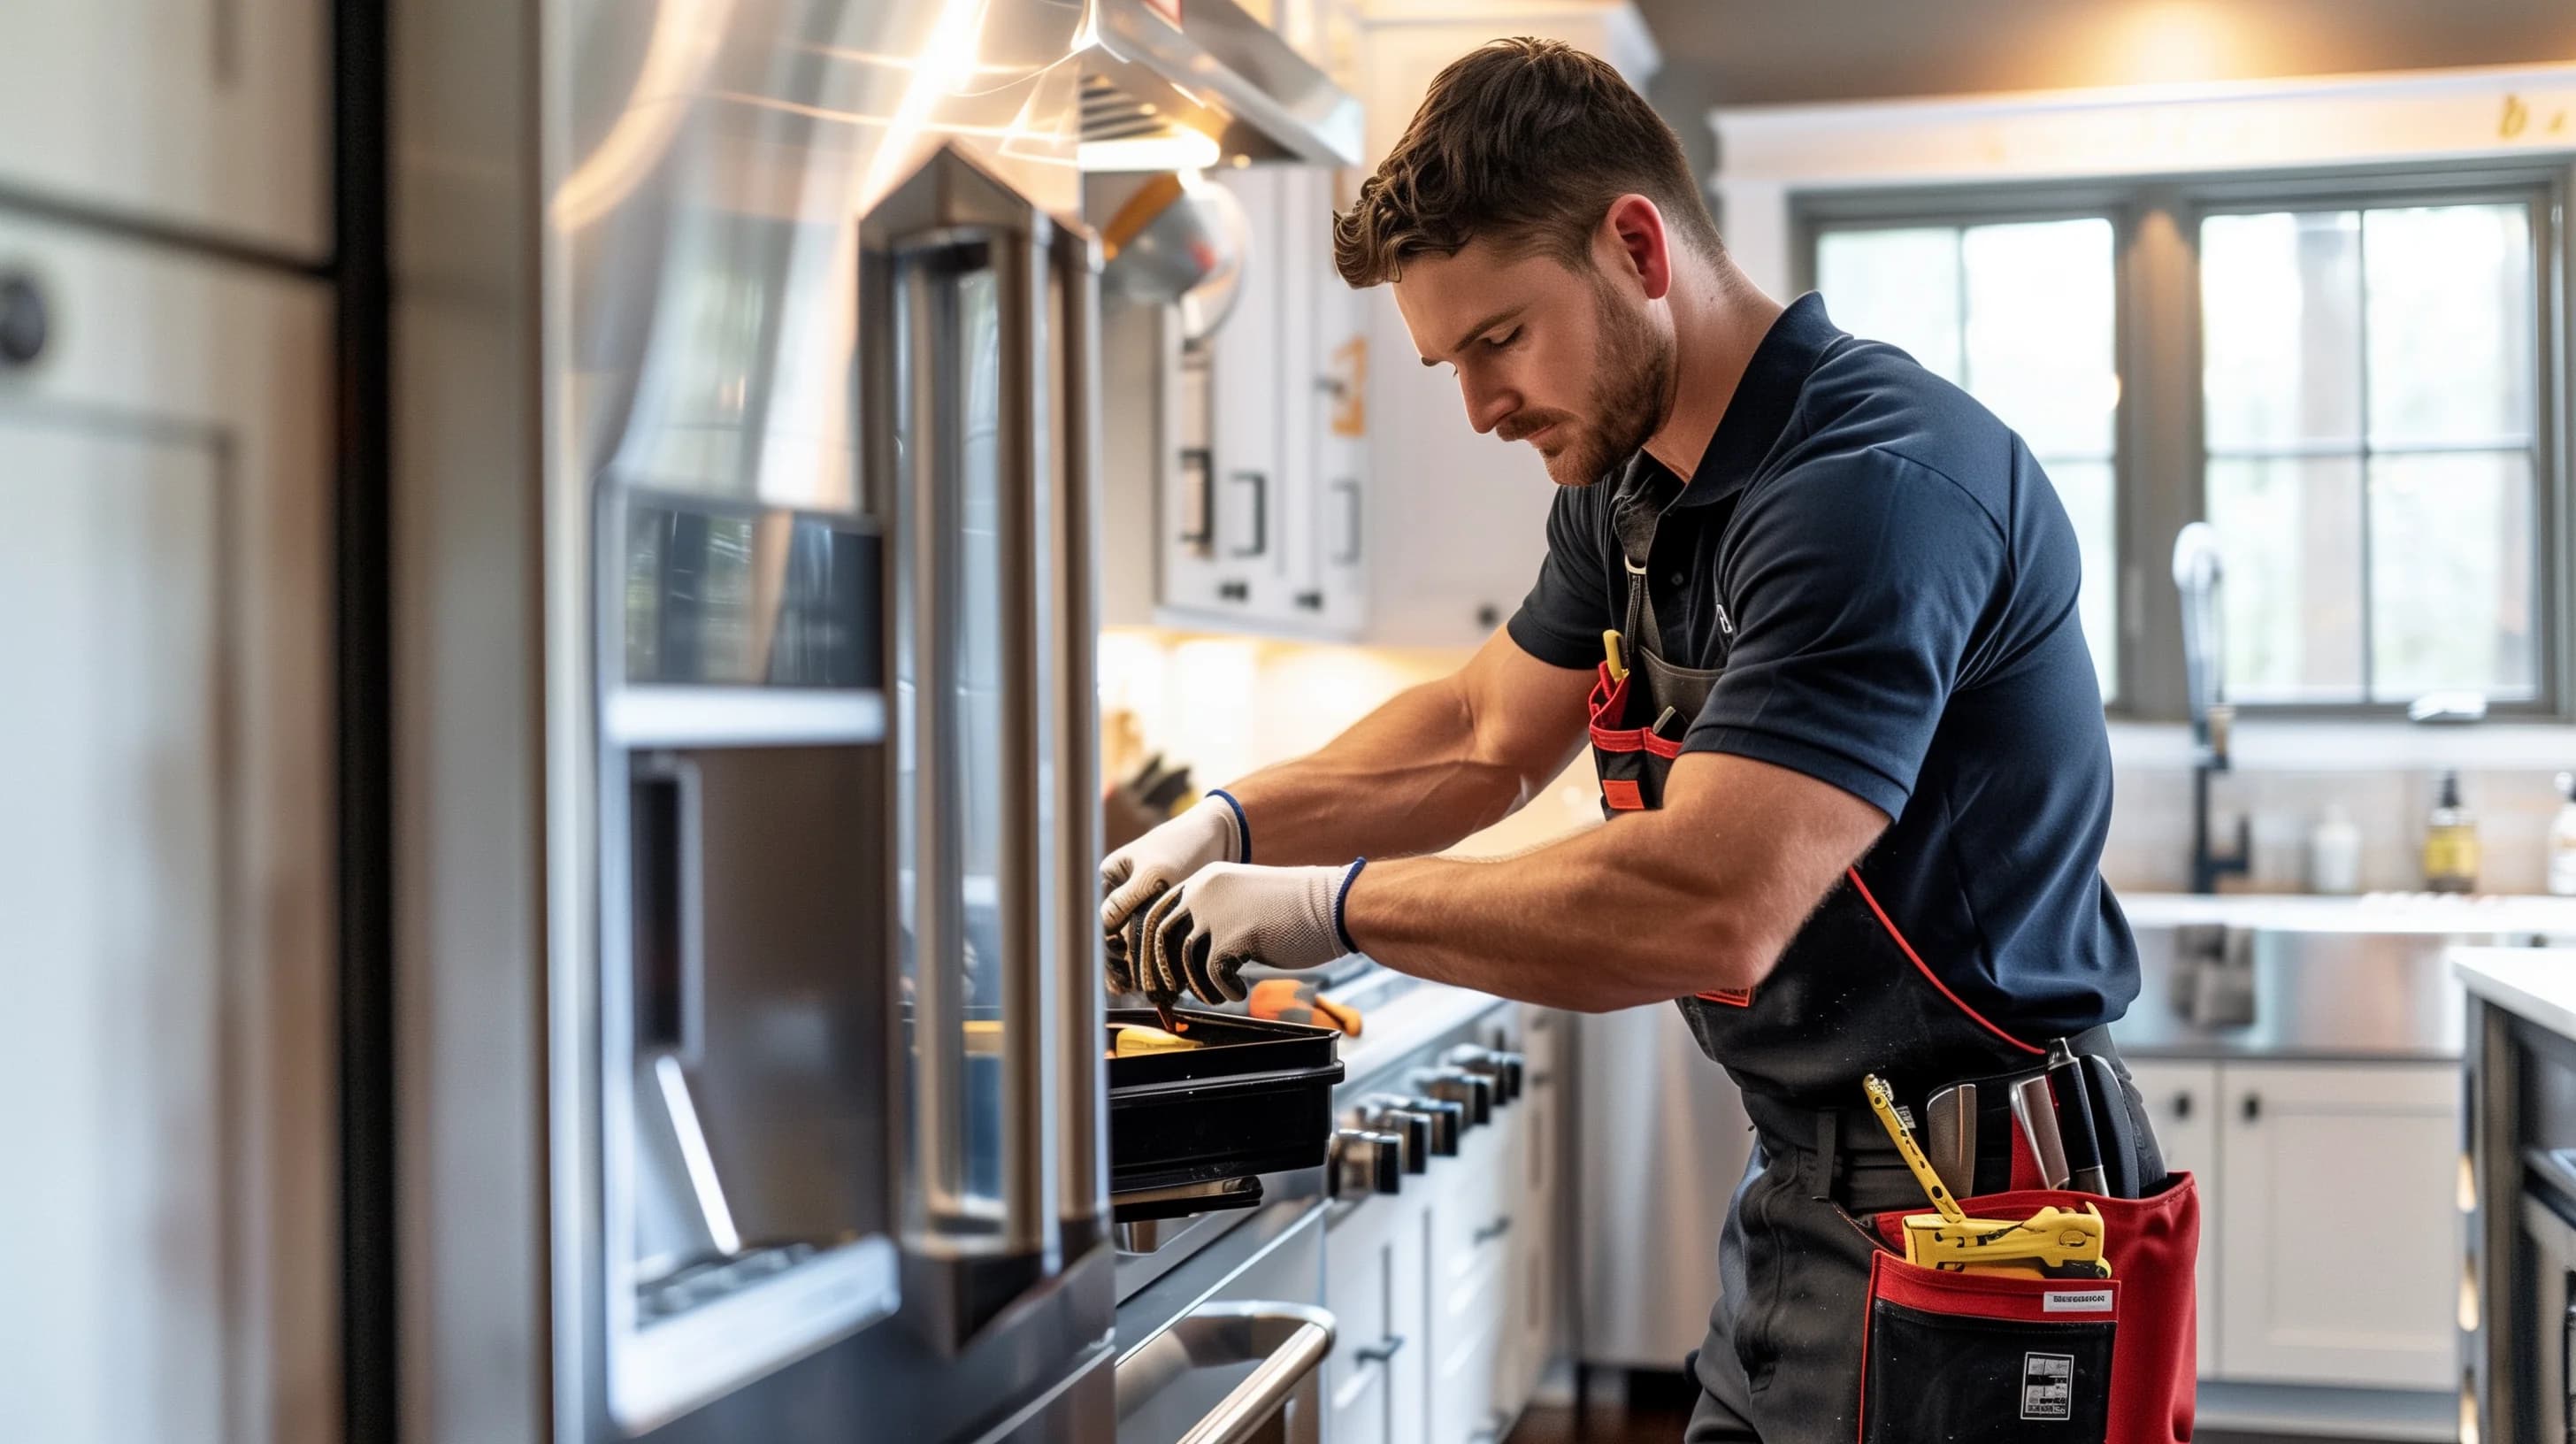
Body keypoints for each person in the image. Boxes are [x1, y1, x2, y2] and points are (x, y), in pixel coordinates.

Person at [1098, 36, 2161, 1442]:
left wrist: (1323, 904)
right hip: (1811, 1194)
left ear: (1638, 246)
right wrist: (1227, 820)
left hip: (1992, 1223)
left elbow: (1709, 902)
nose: (1480, 407)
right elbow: (1482, 732)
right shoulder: (1638, 489)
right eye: (1451, 360)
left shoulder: (1870, 491)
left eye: (1499, 340)